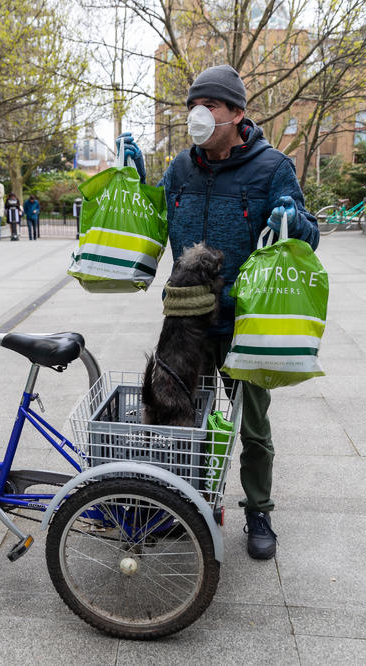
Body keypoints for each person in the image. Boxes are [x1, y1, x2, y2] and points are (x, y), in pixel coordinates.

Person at [119, 64, 320, 561]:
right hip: (187, 323)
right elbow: (155, 222)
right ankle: (186, 505)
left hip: (243, 322)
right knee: (178, 416)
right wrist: (138, 182)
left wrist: (293, 220)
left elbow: (310, 235)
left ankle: (258, 510)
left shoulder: (271, 168)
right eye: (193, 107)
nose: (198, 116)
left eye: (209, 107)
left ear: (237, 114)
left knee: (252, 424)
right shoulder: (180, 170)